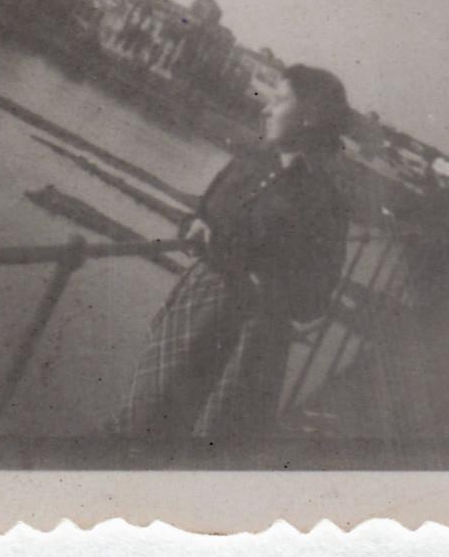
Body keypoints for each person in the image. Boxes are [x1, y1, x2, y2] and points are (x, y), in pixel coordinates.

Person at [115, 64, 351, 438]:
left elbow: (316, 297)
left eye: (279, 101)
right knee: (145, 421)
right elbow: (202, 213)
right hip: (195, 308)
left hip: (250, 336)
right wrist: (197, 225)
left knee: (209, 442)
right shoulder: (251, 160)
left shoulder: (326, 198)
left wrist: (265, 288)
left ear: (311, 115)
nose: (266, 109)